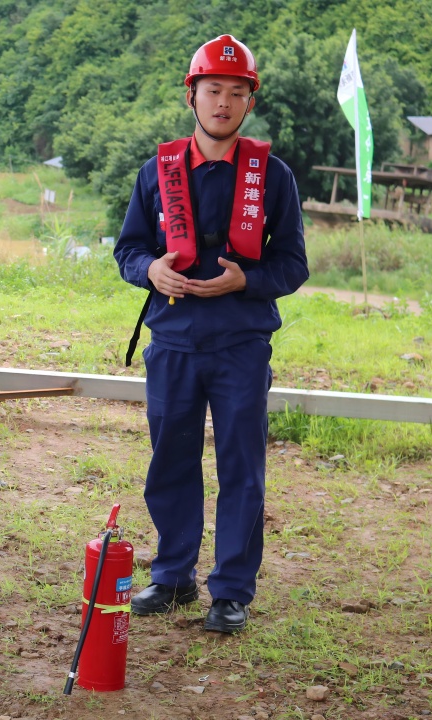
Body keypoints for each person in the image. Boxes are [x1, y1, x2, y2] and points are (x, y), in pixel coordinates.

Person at [113, 35, 309, 633]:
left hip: (240, 345)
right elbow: (128, 249)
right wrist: (151, 268)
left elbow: (293, 266)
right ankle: (172, 577)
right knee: (170, 461)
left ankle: (230, 591)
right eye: (213, 89)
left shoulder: (271, 177)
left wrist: (242, 281)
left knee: (241, 466)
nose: (223, 102)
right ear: (192, 95)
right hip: (172, 341)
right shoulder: (158, 172)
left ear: (250, 103)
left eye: (236, 92)